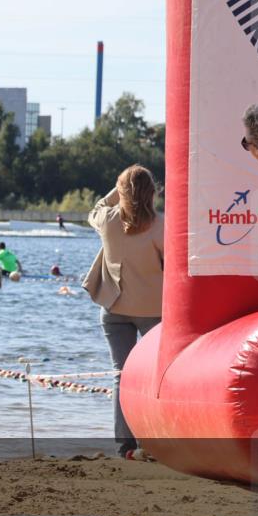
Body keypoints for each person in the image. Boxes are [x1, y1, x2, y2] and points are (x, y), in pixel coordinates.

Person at [84, 165, 164, 460]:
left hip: (114, 308)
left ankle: (125, 447)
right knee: (157, 376)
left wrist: (118, 191)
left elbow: (98, 207)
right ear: (152, 192)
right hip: (153, 310)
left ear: (121, 193)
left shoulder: (107, 220)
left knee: (121, 375)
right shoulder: (161, 225)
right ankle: (157, 441)